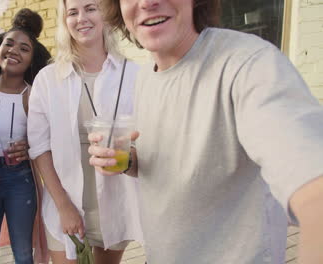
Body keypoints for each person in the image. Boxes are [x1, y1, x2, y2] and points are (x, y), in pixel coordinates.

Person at [88, 0, 323, 263]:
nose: (147, 2)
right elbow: (165, 165)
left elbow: (314, 188)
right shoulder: (145, 78)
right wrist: (125, 160)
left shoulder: (247, 64)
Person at [27, 0, 143, 263]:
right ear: (64, 21)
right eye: (72, 12)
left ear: (105, 15)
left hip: (116, 204)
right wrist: (63, 206)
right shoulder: (47, 79)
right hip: (65, 203)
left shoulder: (134, 74)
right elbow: (39, 149)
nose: (82, 18)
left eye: (91, 8)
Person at [0, 8, 51, 264]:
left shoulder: (32, 95)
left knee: (22, 252)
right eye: (8, 43)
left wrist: (28, 146)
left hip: (19, 178)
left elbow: (46, 138)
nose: (13, 50)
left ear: (32, 60)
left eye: (24, 48)